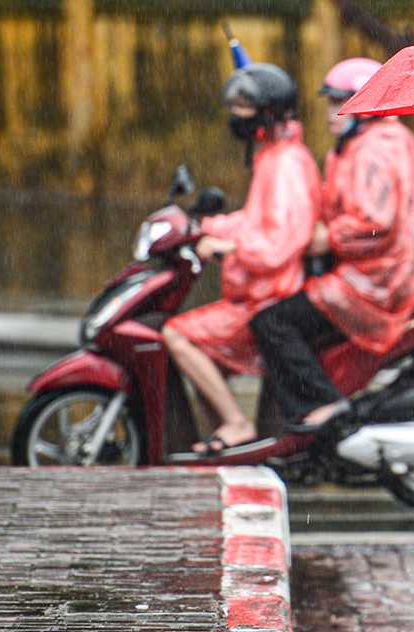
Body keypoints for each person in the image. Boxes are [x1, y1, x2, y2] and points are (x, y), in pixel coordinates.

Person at [250, 58, 414, 431]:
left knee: (272, 322)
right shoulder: (363, 143)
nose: (331, 112)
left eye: (341, 102)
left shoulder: (375, 147)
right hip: (379, 272)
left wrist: (328, 238)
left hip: (376, 281)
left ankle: (322, 406)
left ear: (365, 106)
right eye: (331, 101)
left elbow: (375, 222)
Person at [162, 63, 321, 454]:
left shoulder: (286, 164)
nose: (237, 115)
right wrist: (207, 228)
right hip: (256, 289)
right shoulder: (273, 157)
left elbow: (281, 241)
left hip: (269, 295)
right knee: (203, 359)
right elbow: (256, 220)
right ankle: (229, 445)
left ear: (268, 111)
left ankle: (236, 424)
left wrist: (231, 248)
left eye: (245, 107)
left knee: (176, 334)